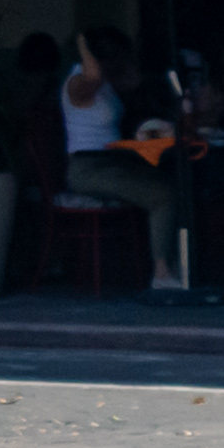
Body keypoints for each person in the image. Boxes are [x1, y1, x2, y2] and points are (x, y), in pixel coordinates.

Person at [60, 27, 181, 289]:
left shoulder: (106, 86)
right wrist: (82, 41)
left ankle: (177, 266)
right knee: (162, 194)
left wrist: (124, 56)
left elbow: (134, 79)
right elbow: (93, 73)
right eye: (109, 54)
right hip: (88, 167)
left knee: (170, 178)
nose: (115, 60)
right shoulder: (78, 82)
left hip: (113, 162)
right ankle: (162, 274)